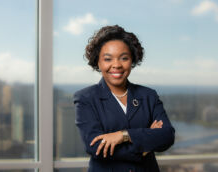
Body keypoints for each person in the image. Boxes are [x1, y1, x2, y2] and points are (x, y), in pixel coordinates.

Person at [74, 25, 175, 172]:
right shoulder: (85, 98)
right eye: (108, 59)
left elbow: (167, 136)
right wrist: (145, 144)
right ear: (98, 62)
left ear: (132, 60)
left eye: (124, 58)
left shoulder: (148, 96)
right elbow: (95, 147)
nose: (116, 65)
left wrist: (124, 135)